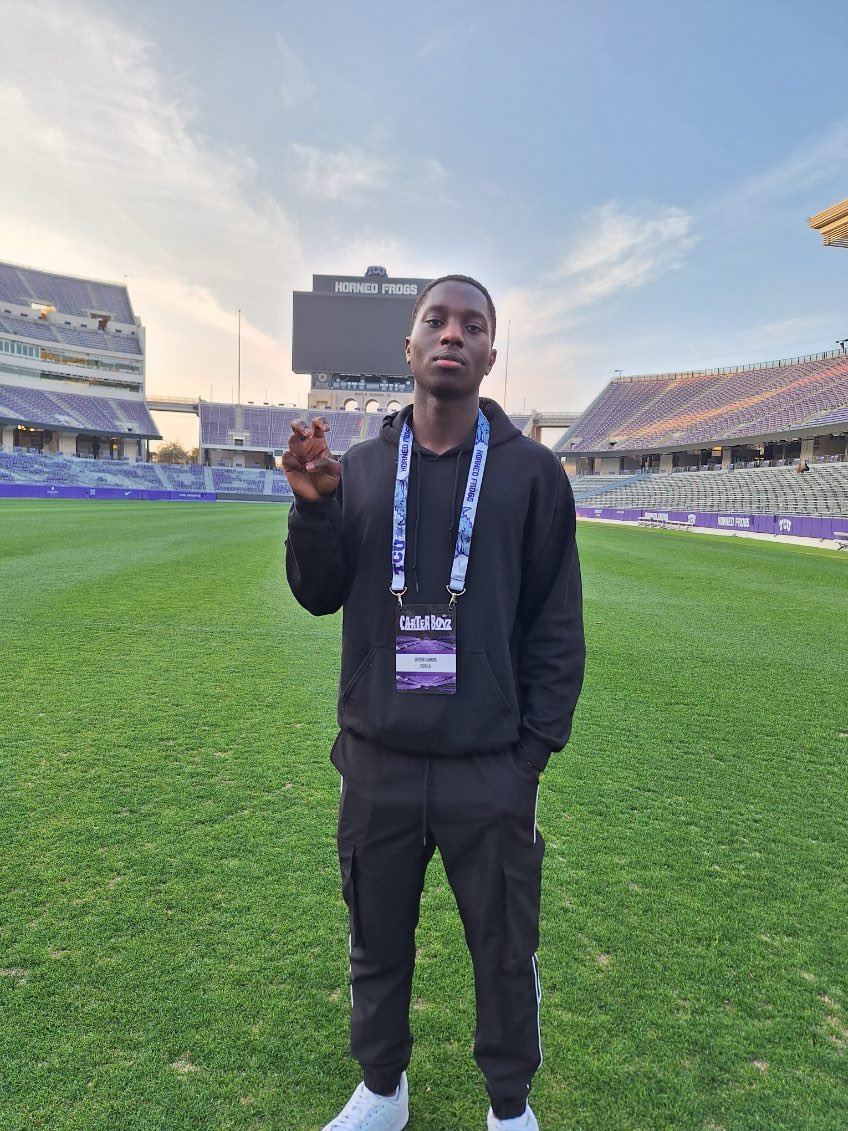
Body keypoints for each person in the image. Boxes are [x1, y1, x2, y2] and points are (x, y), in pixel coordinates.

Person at [284, 275, 585, 1131]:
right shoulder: (364, 467)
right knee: (376, 942)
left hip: (487, 770)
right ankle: (383, 1089)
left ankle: (509, 1107)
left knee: (502, 948)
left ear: (491, 354)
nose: (453, 334)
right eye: (435, 320)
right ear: (407, 349)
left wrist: (527, 759)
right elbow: (318, 592)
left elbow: (556, 628)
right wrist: (314, 514)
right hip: (376, 763)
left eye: (473, 324)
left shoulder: (532, 474)